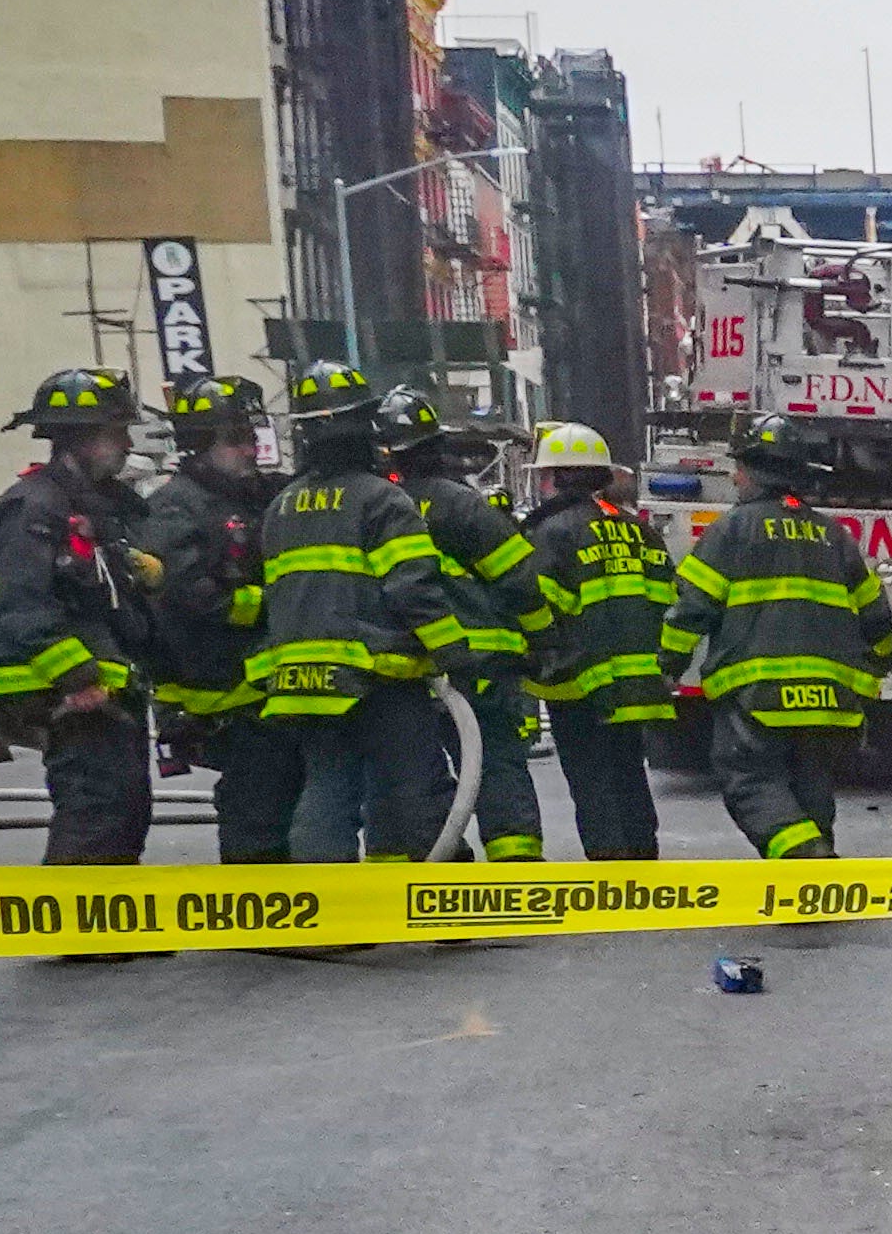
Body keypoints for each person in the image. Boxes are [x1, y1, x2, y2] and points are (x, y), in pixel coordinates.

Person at [236, 365, 466, 862]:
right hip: (375, 675)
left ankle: (331, 912)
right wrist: (455, 651)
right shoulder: (383, 499)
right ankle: (451, 902)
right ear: (367, 427)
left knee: (327, 791)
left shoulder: (281, 507)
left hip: (301, 682)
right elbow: (413, 587)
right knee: (417, 785)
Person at [667, 417, 892, 859]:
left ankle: (807, 856)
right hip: (830, 697)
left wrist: (668, 667)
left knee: (749, 777)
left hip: (758, 692)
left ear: (753, 472)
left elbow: (692, 608)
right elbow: (875, 612)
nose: (734, 477)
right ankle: (815, 879)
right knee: (811, 780)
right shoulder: (833, 534)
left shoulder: (731, 530)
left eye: (739, 469)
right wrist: (883, 660)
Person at [0, 371, 157, 864]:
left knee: (125, 804)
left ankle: (116, 927)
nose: (127, 444)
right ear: (80, 438)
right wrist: (76, 677)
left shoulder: (91, 505)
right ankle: (85, 933)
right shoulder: (35, 507)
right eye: (115, 432)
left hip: (106, 687)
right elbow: (21, 608)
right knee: (95, 806)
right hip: (68, 692)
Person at [385, 393, 557, 862]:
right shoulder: (459, 504)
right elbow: (518, 576)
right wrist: (541, 636)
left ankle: (442, 872)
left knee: (415, 773)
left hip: (402, 664)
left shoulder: (377, 506)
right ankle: (516, 869)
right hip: (481, 660)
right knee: (496, 764)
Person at [131, 376, 280, 855]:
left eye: (252, 435)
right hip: (219, 687)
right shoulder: (175, 507)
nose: (251, 449)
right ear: (198, 445)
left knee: (283, 796)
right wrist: (274, 607)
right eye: (236, 439)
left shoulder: (249, 499)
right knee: (256, 804)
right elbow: (190, 594)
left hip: (262, 683)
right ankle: (258, 906)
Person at [517, 422, 676, 861]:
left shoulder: (550, 533)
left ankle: (611, 866)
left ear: (557, 477)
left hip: (578, 680)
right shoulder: (639, 529)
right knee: (628, 768)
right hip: (638, 677)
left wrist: (532, 662)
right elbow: (667, 597)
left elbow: (537, 606)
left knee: (590, 775)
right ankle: (642, 856)